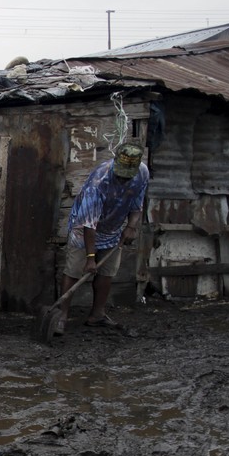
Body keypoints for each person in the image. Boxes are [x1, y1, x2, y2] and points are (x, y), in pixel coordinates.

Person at [57, 142, 149, 333]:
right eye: (120, 174)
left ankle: (97, 314)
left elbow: (137, 203)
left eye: (127, 175)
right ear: (115, 163)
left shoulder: (142, 173)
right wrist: (90, 258)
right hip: (84, 229)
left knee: (107, 272)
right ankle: (61, 315)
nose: (123, 179)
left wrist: (131, 227)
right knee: (74, 271)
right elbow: (90, 224)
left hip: (113, 228)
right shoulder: (99, 181)